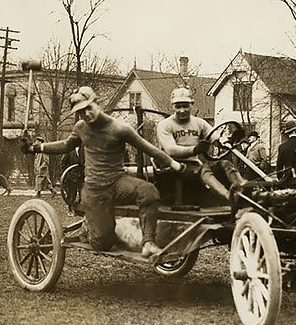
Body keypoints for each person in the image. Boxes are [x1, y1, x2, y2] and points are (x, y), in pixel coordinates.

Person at [21, 86, 183, 257]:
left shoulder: (120, 128)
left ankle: (148, 242)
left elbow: (148, 147)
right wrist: (35, 147)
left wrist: (173, 163)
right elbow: (65, 145)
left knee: (148, 191)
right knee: (103, 244)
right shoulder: (80, 128)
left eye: (89, 108)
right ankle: (88, 229)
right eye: (81, 112)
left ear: (97, 103)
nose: (87, 115)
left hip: (118, 182)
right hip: (94, 190)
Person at [157, 86, 246, 201]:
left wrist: (230, 139)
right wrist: (194, 150)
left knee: (225, 164)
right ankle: (229, 197)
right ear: (172, 106)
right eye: (178, 106)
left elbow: (216, 138)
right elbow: (171, 150)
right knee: (203, 169)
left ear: (192, 105)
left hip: (194, 165)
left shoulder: (199, 123)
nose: (182, 110)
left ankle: (243, 189)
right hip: (172, 167)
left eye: (185, 106)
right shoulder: (165, 125)